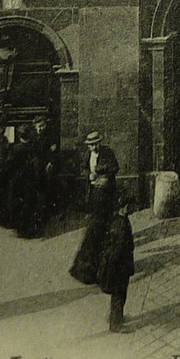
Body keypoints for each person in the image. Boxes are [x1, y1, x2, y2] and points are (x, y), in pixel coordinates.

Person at [69, 130, 119, 284]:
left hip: (106, 194)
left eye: (95, 144)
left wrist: (99, 171)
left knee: (103, 231)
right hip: (95, 195)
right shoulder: (87, 155)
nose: (93, 147)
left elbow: (114, 168)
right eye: (90, 144)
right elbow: (83, 169)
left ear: (99, 142)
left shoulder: (107, 153)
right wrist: (87, 175)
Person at [97, 198, 137, 332]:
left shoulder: (116, 219)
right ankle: (116, 324)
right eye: (129, 206)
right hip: (119, 267)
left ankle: (115, 318)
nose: (131, 208)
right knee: (119, 294)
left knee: (117, 294)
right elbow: (120, 249)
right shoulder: (121, 226)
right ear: (123, 207)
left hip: (115, 265)